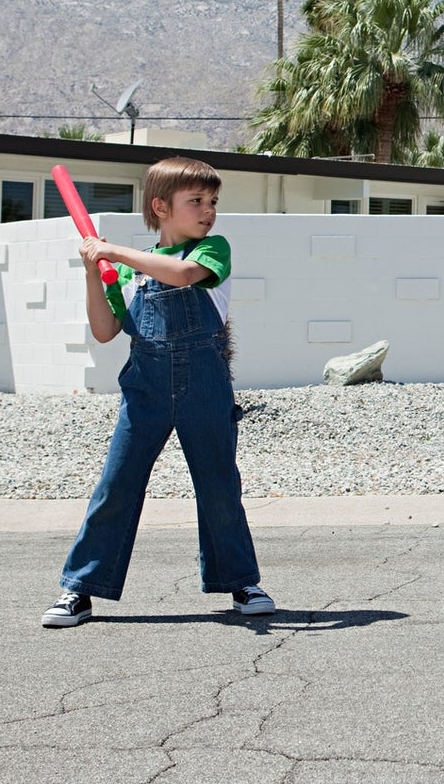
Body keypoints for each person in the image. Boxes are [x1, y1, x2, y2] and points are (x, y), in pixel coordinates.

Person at [41, 156, 273, 627]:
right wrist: (94, 269)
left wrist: (115, 251)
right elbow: (105, 331)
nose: (208, 210)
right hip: (144, 390)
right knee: (116, 486)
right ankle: (80, 589)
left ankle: (241, 582)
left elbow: (181, 276)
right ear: (160, 207)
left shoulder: (211, 252)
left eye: (213, 201)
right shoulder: (123, 274)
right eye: (196, 201)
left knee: (218, 485)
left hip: (205, 388)